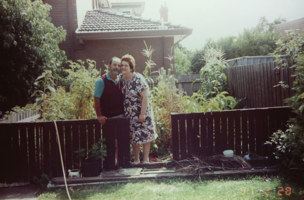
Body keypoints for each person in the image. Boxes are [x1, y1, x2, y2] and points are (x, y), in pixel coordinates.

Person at [120, 54, 158, 164]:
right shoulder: (122, 79)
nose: (123, 67)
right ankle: (136, 159)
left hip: (142, 112)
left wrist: (142, 114)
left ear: (131, 67)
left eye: (126, 65)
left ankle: (145, 159)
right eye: (122, 65)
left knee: (145, 135)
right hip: (130, 114)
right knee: (133, 136)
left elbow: (146, 96)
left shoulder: (138, 78)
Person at [94, 56, 124, 170]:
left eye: (119, 65)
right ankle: (109, 168)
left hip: (121, 118)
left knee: (120, 144)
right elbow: (96, 100)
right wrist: (99, 115)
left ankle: (120, 166)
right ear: (109, 66)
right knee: (109, 145)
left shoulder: (121, 81)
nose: (117, 67)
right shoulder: (101, 81)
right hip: (108, 119)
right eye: (115, 65)